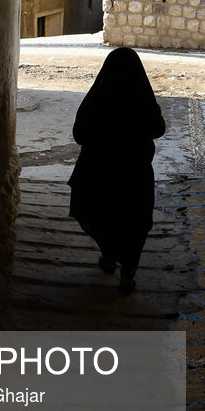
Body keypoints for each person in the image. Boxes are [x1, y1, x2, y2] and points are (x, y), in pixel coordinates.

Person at [67, 46, 165, 291]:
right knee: (134, 221)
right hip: (135, 175)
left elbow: (79, 134)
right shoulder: (143, 99)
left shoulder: (97, 97)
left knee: (99, 214)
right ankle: (127, 272)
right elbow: (158, 129)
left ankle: (109, 252)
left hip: (98, 173)